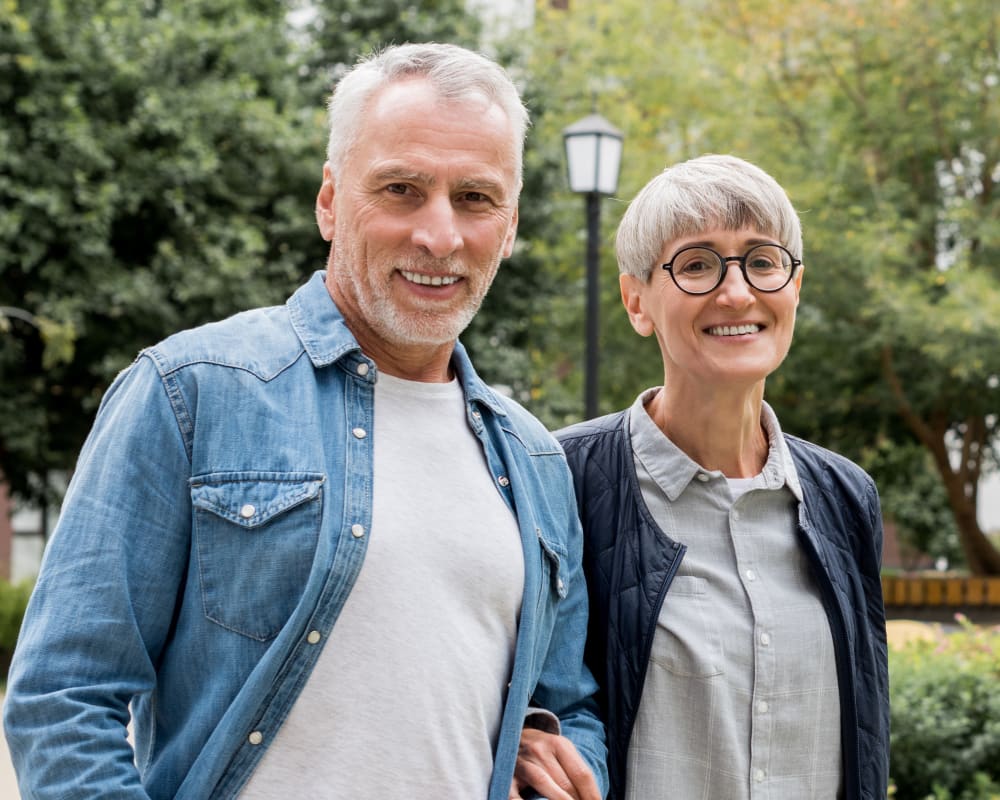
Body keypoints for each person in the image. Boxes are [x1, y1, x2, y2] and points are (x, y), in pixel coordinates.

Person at [3, 43, 607, 800]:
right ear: (330, 200)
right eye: (401, 188)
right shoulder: (193, 392)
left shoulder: (534, 459)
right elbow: (64, 696)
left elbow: (569, 704)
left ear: (509, 225)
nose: (441, 235)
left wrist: (554, 752)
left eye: (477, 199)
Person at [529, 154, 889, 799]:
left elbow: (862, 738)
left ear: (795, 287)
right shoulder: (558, 479)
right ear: (636, 300)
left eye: (761, 260)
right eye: (696, 264)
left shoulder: (845, 496)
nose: (736, 292)